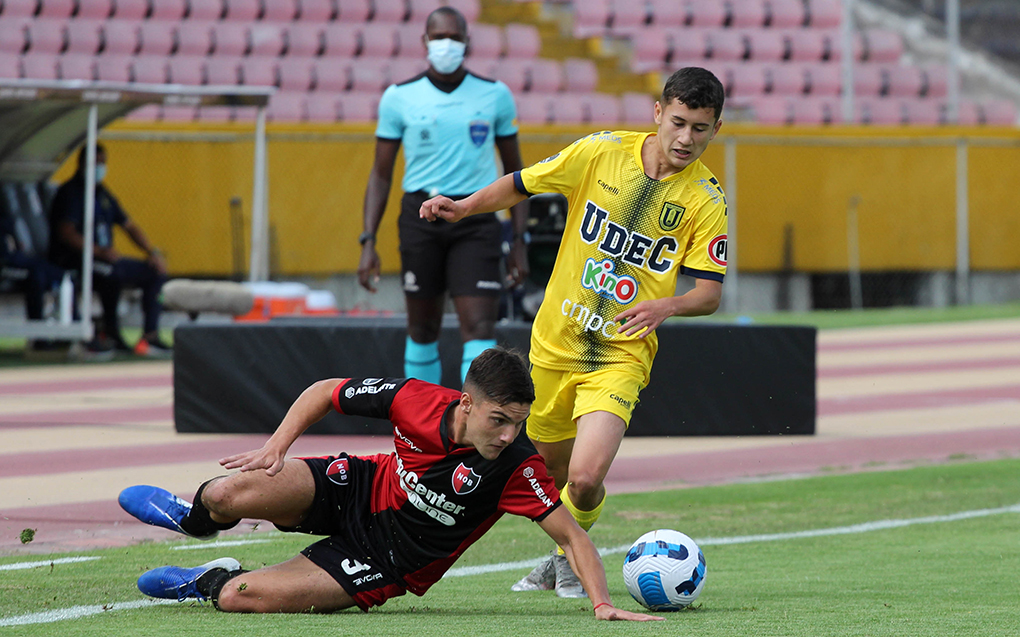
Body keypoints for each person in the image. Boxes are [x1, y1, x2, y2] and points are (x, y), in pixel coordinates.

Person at [420, 67, 729, 597]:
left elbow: (710, 292)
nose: (686, 139)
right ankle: (542, 549)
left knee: (583, 479)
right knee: (542, 472)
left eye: (700, 129)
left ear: (715, 128)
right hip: (555, 345)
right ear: (658, 113)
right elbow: (521, 184)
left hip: (620, 355)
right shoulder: (600, 152)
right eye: (678, 123)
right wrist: (465, 206)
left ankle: (567, 560)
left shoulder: (706, 199)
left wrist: (669, 306)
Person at [117, 347, 659, 621]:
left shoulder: (516, 466)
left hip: (388, 559)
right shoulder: (415, 400)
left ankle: (208, 579)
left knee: (240, 598)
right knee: (222, 495)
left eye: (519, 421)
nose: (510, 434)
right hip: (360, 486)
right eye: (499, 420)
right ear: (465, 403)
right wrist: (278, 445)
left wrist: (602, 604)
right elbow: (328, 390)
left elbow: (572, 536)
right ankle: (191, 519)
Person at [357, 6, 530, 386]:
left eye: (454, 37)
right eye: (439, 37)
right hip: (421, 217)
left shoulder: (495, 95)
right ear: (425, 42)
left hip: (477, 216)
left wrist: (519, 239)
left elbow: (518, 174)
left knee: (480, 324)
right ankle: (424, 425)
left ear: (467, 42)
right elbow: (381, 175)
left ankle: (474, 425)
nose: (446, 44)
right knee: (422, 328)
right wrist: (368, 240)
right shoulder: (399, 97)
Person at [48, 143, 170, 357]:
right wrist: (98, 251)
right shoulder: (70, 193)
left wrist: (152, 252)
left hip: (107, 259)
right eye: (96, 163)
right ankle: (109, 330)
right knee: (112, 273)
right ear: (83, 164)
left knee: (155, 272)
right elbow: (66, 233)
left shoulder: (103, 194)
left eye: (103, 163)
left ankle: (150, 335)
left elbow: (129, 225)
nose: (100, 168)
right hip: (76, 260)